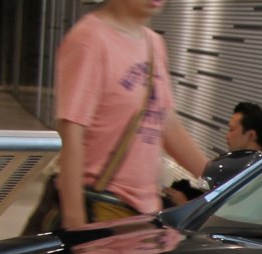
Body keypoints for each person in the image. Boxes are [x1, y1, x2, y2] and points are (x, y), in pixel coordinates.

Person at [52, 0, 208, 228]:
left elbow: (166, 123)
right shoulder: (89, 39)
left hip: (145, 212)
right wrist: (75, 225)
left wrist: (223, 179)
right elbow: (71, 133)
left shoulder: (154, 43)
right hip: (102, 207)